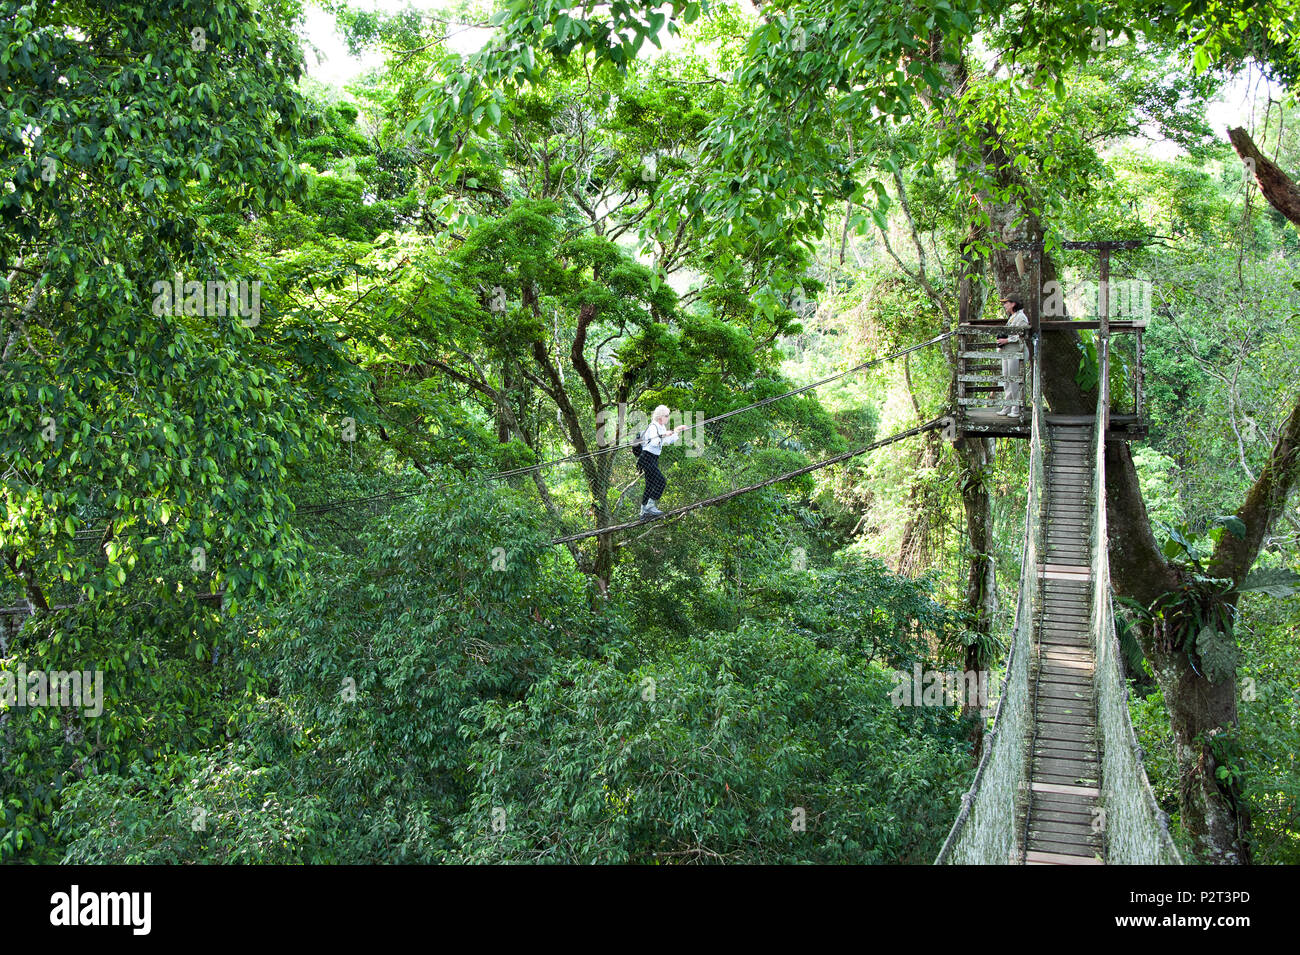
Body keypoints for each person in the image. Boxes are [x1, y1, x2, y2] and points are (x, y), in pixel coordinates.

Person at [637, 405, 688, 518]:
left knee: (649, 485)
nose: (668, 418)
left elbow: (667, 441)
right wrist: (664, 435)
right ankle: (650, 506)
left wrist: (677, 430)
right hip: (647, 457)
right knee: (661, 481)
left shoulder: (661, 427)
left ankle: (643, 512)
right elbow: (655, 442)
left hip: (654, 458)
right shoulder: (653, 426)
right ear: (660, 416)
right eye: (666, 415)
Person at [997, 297, 1030, 417]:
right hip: (1007, 351)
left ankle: (1015, 409)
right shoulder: (1012, 317)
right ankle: (1007, 406)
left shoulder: (1021, 317)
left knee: (1014, 380)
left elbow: (1021, 335)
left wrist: (1007, 340)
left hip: (1015, 351)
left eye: (1006, 303)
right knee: (1006, 380)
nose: (1004, 305)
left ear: (1013, 303)